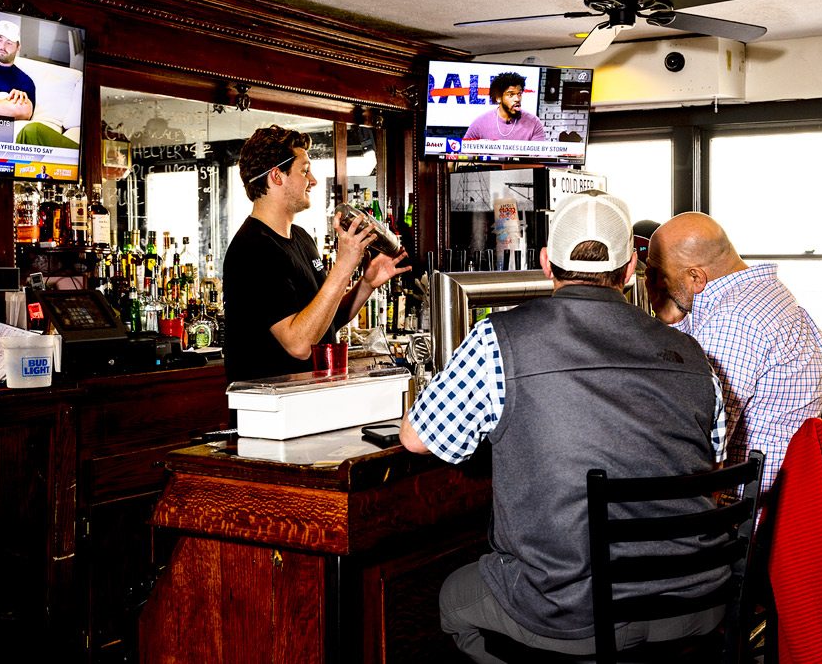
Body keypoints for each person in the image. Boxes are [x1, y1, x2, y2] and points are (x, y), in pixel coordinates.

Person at [399, 191, 729, 662]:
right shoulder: (694, 354)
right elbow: (711, 460)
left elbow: (417, 437)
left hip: (573, 614)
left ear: (545, 263)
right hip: (694, 601)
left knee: (454, 600)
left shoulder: (500, 338)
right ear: (631, 268)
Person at [645, 212, 822, 494]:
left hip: (744, 504)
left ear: (695, 276)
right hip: (786, 488)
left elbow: (694, 436)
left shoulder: (734, 320)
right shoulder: (764, 293)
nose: (653, 283)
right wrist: (673, 319)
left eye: (659, 274)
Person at [223, 124, 409, 382]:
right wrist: (344, 266)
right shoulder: (252, 249)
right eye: (305, 170)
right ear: (277, 176)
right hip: (271, 412)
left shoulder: (300, 237)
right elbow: (299, 345)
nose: (313, 180)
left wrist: (366, 284)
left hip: (306, 401)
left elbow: (326, 321)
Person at [462, 71, 546, 142]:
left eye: (519, 94)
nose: (517, 99)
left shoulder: (534, 123)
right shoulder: (480, 123)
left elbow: (539, 158)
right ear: (498, 98)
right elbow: (463, 153)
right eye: (511, 95)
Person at [0, 20, 36, 122]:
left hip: (0, 129)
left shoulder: (25, 82)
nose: (2, 47)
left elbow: (25, 112)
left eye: (9, 43)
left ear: (18, 47)